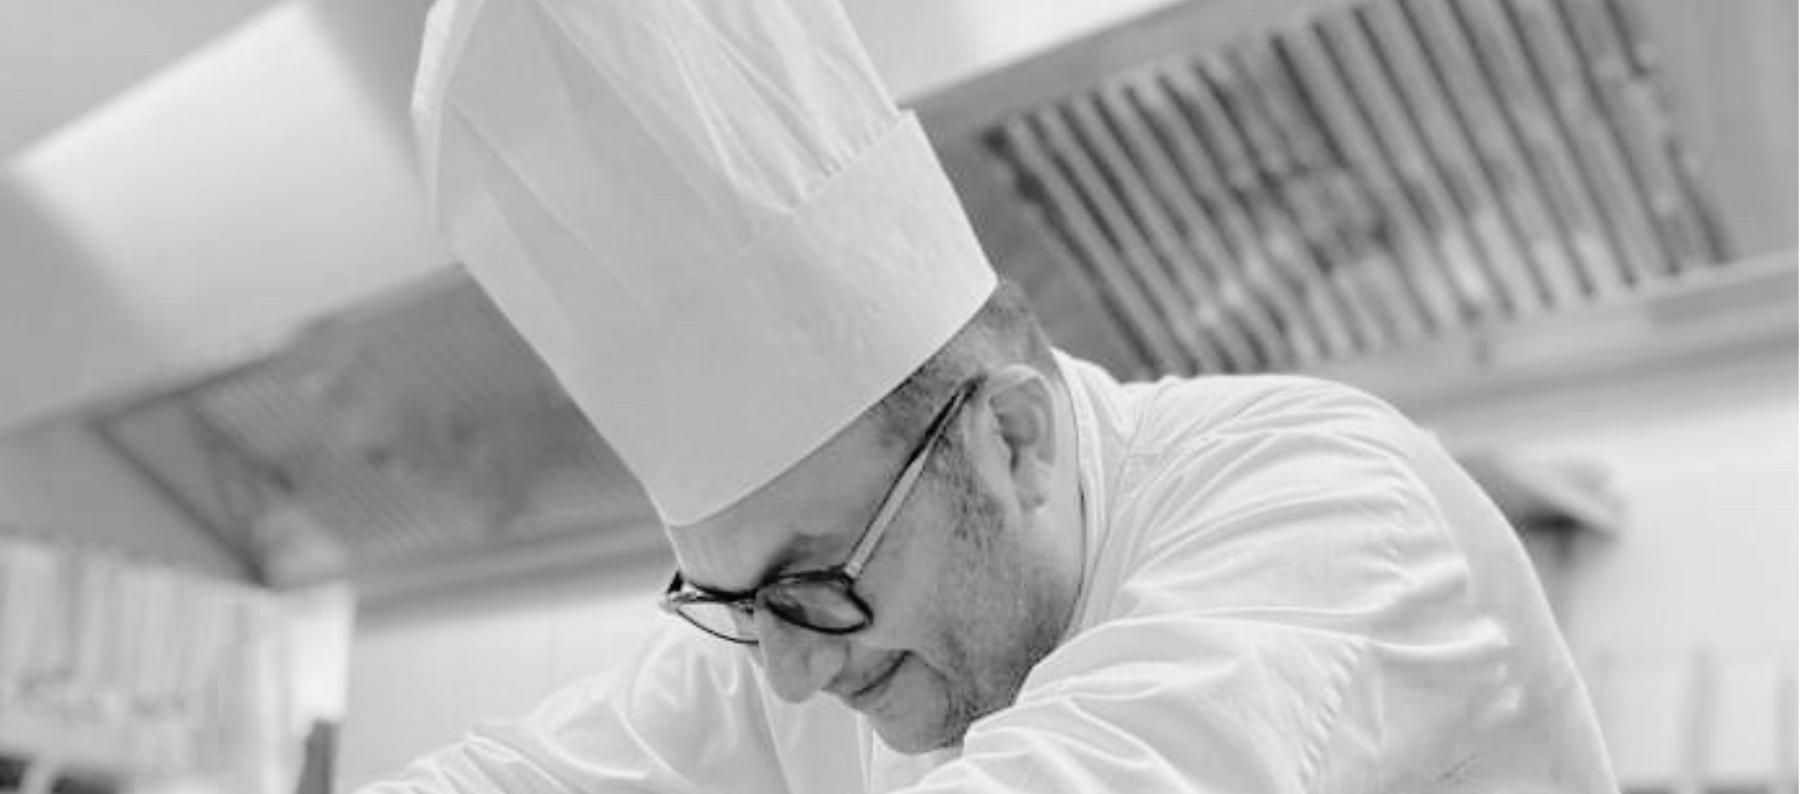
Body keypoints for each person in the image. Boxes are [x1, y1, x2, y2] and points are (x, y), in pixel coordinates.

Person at [365, 0, 1618, 790]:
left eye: (810, 583)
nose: (791, 673)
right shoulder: (809, 634)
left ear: (1009, 436)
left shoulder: (1322, 495)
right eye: (737, 602)